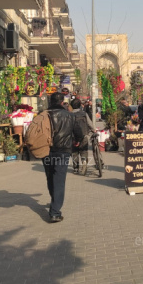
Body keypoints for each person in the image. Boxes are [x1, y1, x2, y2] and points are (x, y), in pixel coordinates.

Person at [43, 92, 83, 223]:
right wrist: (77, 141)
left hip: (46, 151)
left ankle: (54, 202)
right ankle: (55, 212)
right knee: (59, 180)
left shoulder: (44, 115)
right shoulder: (69, 115)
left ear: (50, 101)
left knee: (50, 177)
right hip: (63, 151)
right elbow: (79, 132)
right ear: (62, 102)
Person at [70, 98, 96, 174]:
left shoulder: (70, 115)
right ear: (80, 105)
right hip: (84, 135)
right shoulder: (84, 114)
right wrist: (93, 130)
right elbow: (89, 123)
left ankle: (76, 168)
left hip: (73, 137)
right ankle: (84, 161)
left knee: (74, 152)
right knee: (84, 150)